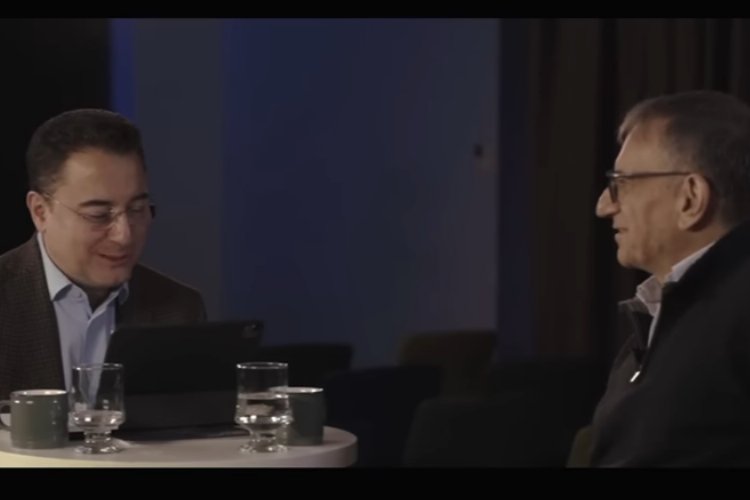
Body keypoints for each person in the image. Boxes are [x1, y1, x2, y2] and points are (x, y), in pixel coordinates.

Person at [589, 90, 750, 466]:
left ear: (690, 198)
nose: (604, 206)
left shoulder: (739, 315)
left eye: (621, 183)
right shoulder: (660, 315)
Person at [0, 109, 206, 399]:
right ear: (40, 212)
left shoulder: (179, 310)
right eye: (99, 215)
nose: (124, 235)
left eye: (137, 209)